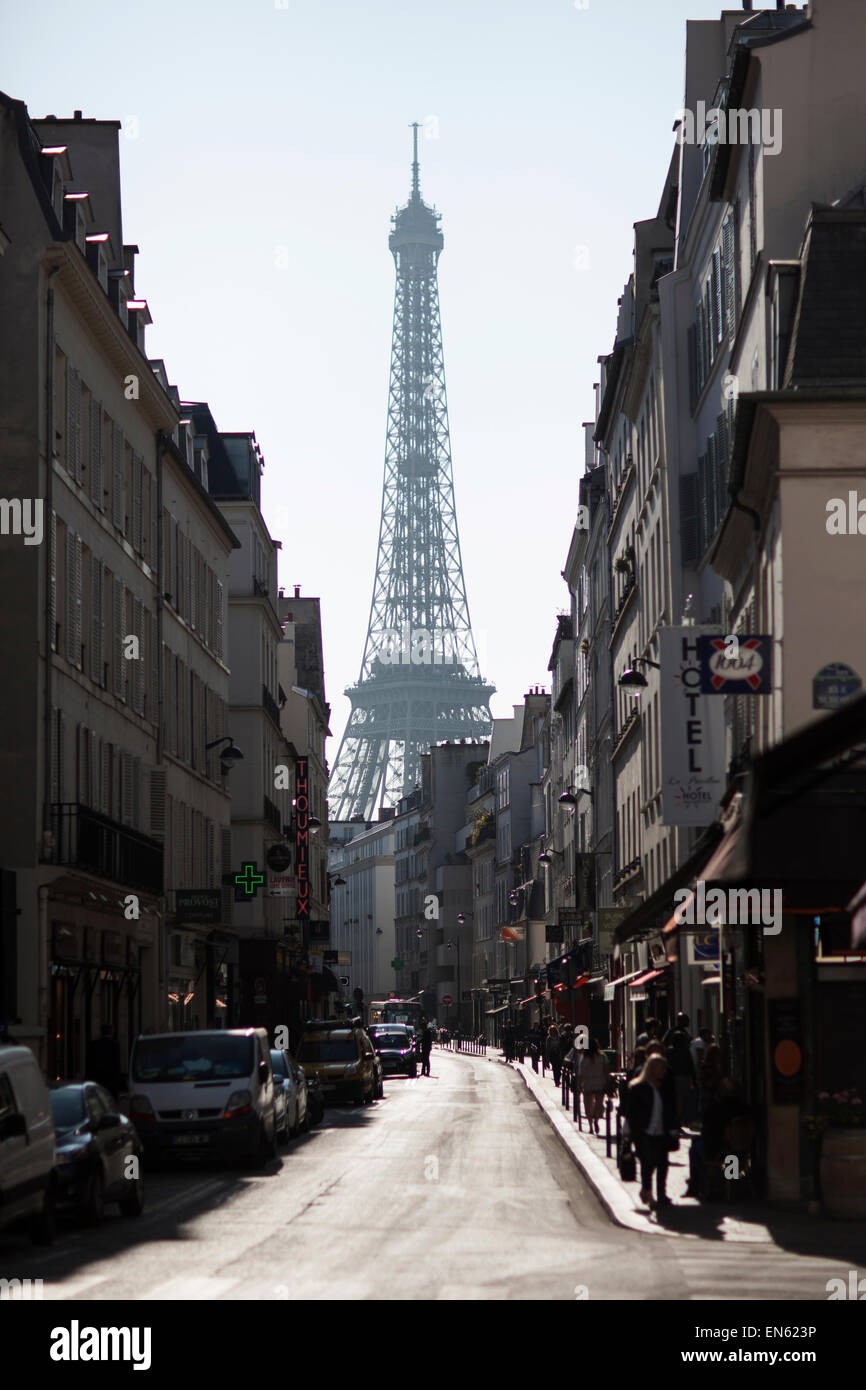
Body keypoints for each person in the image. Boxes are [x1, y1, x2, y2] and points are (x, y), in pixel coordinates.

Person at [625, 1053, 679, 1210]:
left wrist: (674, 1128)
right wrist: (628, 1131)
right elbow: (631, 1112)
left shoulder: (664, 1088)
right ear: (652, 1069)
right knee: (647, 1162)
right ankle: (649, 1193)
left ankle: (660, 1194)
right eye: (661, 1068)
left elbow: (670, 1110)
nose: (663, 1071)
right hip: (643, 1131)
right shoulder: (638, 1088)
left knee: (662, 1164)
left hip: (661, 1131)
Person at [576, 1038, 610, 1135]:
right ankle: (596, 1118)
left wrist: (578, 1086)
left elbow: (580, 1074)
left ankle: (591, 1125)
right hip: (600, 1084)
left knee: (587, 1106)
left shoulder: (583, 1058)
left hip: (587, 1085)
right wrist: (608, 1083)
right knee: (599, 1105)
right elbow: (606, 1071)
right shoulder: (603, 1057)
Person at [666, 1028, 697, 1125]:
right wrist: (693, 1079)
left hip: (674, 1078)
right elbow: (690, 1065)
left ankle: (678, 1117)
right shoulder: (686, 1051)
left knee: (677, 1099)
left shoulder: (669, 1051)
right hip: (685, 1078)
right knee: (685, 1098)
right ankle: (684, 1118)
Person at [85, 1022, 123, 1100]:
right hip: (111, 1081)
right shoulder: (114, 1045)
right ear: (111, 1032)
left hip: (97, 1079)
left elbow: (89, 1063)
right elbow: (117, 1064)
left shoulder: (94, 1045)